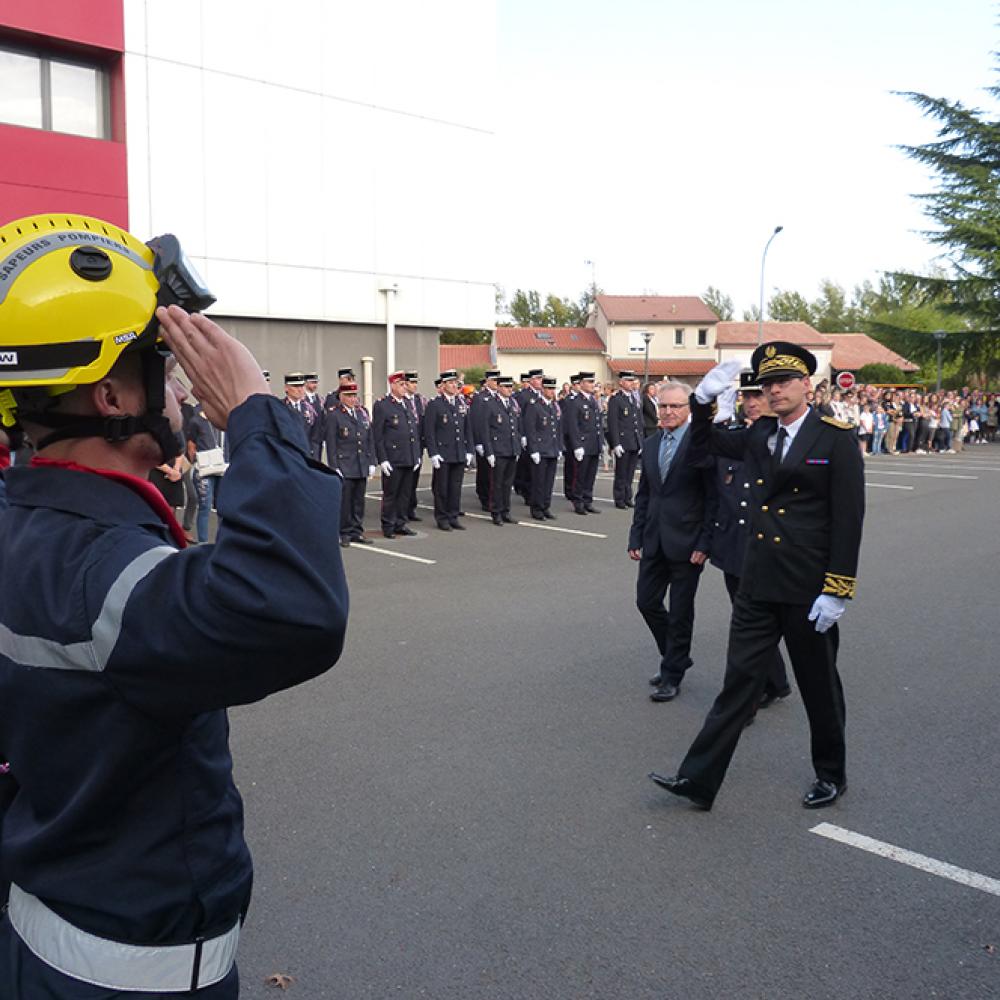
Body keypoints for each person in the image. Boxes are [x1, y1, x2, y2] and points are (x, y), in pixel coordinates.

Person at [0, 212, 349, 996]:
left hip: (38, 934)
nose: (183, 387)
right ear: (113, 393)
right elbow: (295, 605)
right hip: (128, 972)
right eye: (163, 361)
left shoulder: (27, 527)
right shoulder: (106, 570)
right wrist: (259, 414)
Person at [649, 343, 864, 811]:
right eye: (768, 383)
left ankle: (832, 773)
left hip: (807, 587)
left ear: (807, 385)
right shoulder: (759, 433)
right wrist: (702, 404)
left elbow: (848, 519)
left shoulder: (835, 437)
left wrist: (837, 588)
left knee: (818, 683)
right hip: (758, 580)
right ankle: (698, 780)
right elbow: (700, 449)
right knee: (738, 683)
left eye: (784, 381)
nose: (775, 390)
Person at [705, 372, 790, 712]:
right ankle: (777, 681)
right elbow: (704, 465)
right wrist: (716, 421)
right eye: (747, 397)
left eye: (760, 395)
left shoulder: (785, 441)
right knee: (750, 622)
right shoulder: (734, 437)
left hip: (769, 549)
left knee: (750, 628)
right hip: (733, 545)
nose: (753, 403)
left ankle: (746, 700)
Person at [628, 381, 717, 703]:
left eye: (675, 406)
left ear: (688, 409)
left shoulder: (700, 443)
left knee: (680, 612)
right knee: (646, 602)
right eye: (663, 406)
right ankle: (676, 656)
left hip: (688, 542)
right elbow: (645, 495)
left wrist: (705, 543)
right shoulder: (651, 444)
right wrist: (635, 535)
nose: (667, 412)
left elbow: (712, 497)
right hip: (654, 538)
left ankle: (672, 674)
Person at [323, 381, 377, 546]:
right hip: (345, 463)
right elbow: (331, 442)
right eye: (349, 396)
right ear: (341, 396)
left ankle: (357, 530)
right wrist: (334, 466)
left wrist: (372, 461)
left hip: (360, 463)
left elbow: (369, 438)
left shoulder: (362, 413)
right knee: (345, 501)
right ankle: (344, 532)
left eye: (355, 396)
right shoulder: (334, 415)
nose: (353, 399)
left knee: (358, 500)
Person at [372, 371, 421, 538]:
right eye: (401, 384)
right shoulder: (382, 405)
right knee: (391, 494)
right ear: (392, 385)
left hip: (408, 456)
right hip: (393, 458)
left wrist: (416, 455)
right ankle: (388, 525)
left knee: (405, 494)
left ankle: (401, 523)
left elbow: (413, 431)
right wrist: (383, 459)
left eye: (405, 384)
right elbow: (378, 435)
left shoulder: (407, 403)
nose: (404, 387)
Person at [423, 369, 474, 531]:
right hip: (443, 453)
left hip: (458, 452)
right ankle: (442, 518)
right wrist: (433, 453)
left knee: (455, 488)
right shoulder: (435, 404)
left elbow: (467, 429)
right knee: (442, 488)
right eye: (450, 383)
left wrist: (469, 450)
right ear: (443, 385)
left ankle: (453, 516)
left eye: (455, 383)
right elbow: (429, 431)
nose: (454, 386)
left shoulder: (461, 403)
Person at [482, 375, 522, 525]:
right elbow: (485, 430)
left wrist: (517, 447)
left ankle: (506, 510)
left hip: (511, 449)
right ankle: (496, 512)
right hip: (498, 450)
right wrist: (489, 451)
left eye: (511, 387)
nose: (509, 389)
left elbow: (515, 427)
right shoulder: (490, 404)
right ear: (498, 387)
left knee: (507, 483)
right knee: (497, 484)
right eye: (506, 387)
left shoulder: (512, 403)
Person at [523, 376, 562, 520]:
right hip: (540, 449)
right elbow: (531, 429)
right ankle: (537, 508)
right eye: (549, 389)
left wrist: (558, 447)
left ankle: (546, 506)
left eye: (553, 389)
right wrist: (533, 450)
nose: (552, 392)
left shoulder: (552, 405)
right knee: (538, 482)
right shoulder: (534, 405)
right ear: (543, 389)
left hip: (551, 448)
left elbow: (556, 429)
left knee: (549, 482)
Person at [564, 372, 602, 515]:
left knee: (590, 475)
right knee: (580, 475)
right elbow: (573, 426)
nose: (593, 385)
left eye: (593, 382)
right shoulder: (576, 402)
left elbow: (597, 424)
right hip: (583, 444)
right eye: (589, 382)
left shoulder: (592, 400)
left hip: (594, 443)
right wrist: (577, 445)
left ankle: (587, 500)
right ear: (581, 384)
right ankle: (578, 501)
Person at [605, 370, 644, 508]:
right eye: (628, 381)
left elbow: (638, 422)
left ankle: (628, 497)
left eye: (632, 380)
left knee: (630, 473)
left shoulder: (633, 398)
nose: (630, 383)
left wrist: (640, 441)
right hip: (623, 441)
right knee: (621, 472)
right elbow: (613, 423)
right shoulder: (616, 399)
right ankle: (619, 498)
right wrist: (615, 443)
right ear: (621, 382)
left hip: (633, 440)